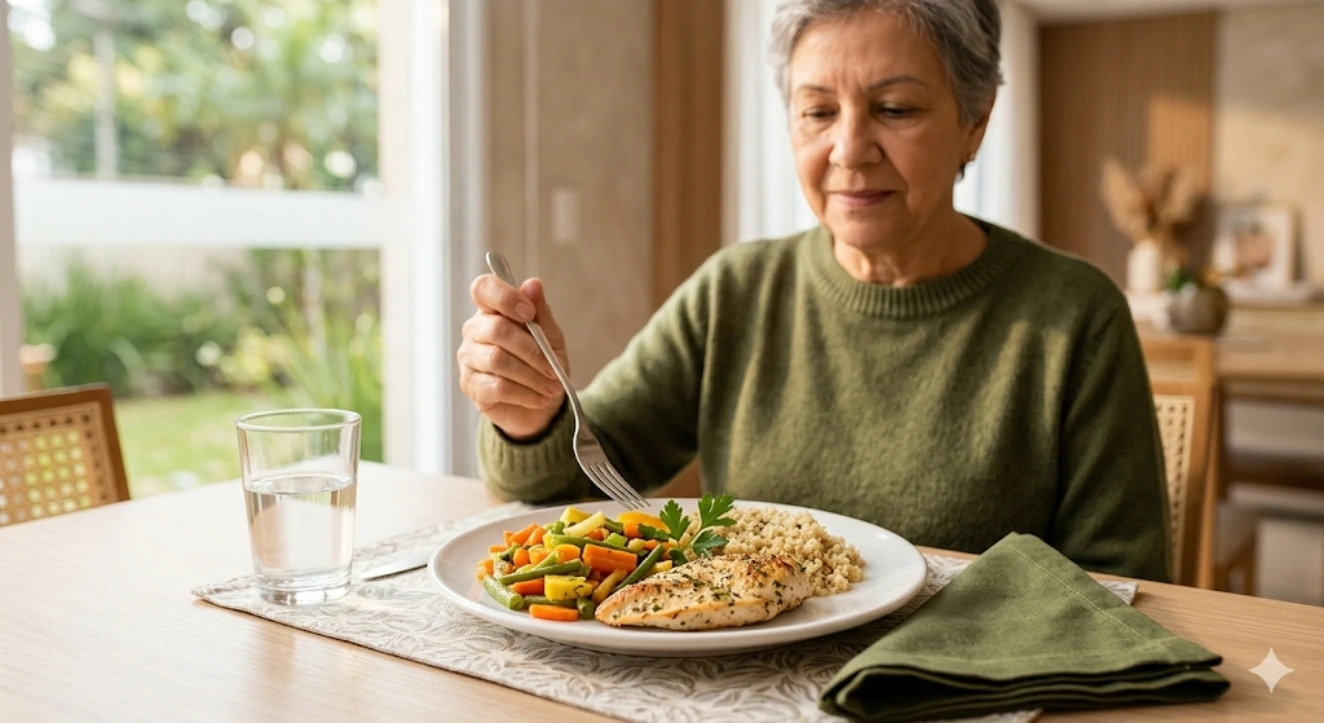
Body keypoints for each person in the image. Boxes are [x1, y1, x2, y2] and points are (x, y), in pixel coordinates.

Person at [457, 0, 1171, 581]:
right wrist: (530, 414)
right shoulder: (735, 293)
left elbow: (1121, 589)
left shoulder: (1076, 315)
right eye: (819, 112)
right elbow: (569, 483)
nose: (849, 150)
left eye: (896, 109)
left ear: (974, 122)